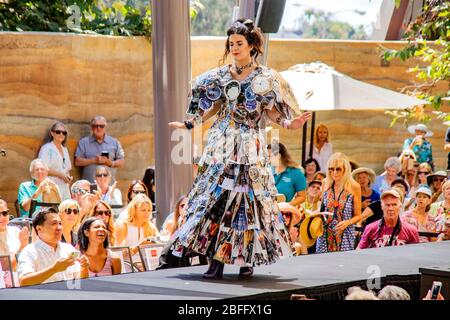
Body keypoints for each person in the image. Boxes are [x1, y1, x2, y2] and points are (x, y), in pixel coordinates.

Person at [168, 18, 311, 279]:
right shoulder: (221, 76)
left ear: (251, 46)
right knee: (216, 198)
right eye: (231, 43)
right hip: (222, 143)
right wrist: (190, 123)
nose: (234, 47)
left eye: (239, 43)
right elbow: (212, 107)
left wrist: (291, 123)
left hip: (251, 146)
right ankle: (215, 261)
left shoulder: (266, 78)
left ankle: (248, 259)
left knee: (251, 202)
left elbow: (274, 113)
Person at [17, 207, 88, 286]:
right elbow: (24, 281)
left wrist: (84, 268)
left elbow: (80, 283)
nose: (59, 228)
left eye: (60, 223)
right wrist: (54, 269)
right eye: (54, 224)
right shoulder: (29, 252)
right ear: (39, 228)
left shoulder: (68, 249)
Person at [316, 152, 360, 253]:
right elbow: (323, 208)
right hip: (324, 234)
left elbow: (358, 215)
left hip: (345, 234)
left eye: (338, 169)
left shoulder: (354, 186)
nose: (334, 172)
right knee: (323, 266)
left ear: (345, 169)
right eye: (331, 169)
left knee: (343, 265)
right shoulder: (325, 183)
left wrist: (347, 223)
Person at [74, 115, 125, 183]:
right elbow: (77, 162)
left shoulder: (114, 142)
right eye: (96, 126)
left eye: (101, 126)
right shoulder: (84, 142)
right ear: (92, 127)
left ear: (105, 127)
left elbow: (121, 161)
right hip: (91, 185)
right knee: (93, 193)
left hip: (108, 186)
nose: (98, 128)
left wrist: (110, 163)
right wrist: (93, 160)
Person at [38, 121, 73, 200]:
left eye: (64, 133)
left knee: (65, 210)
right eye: (58, 132)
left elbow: (66, 169)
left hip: (65, 187)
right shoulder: (46, 148)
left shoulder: (65, 149)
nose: (61, 134)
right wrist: (61, 175)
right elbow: (42, 169)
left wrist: (68, 178)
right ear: (52, 133)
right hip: (51, 186)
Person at [268, 142, 307, 207]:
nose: (268, 160)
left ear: (278, 156)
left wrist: (287, 206)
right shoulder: (267, 171)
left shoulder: (296, 173)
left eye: (269, 156)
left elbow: (302, 197)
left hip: (284, 213)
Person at [0, 199, 29, 270]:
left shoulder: (16, 230)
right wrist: (22, 248)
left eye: (4, 213)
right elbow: (5, 268)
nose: (1, 217)